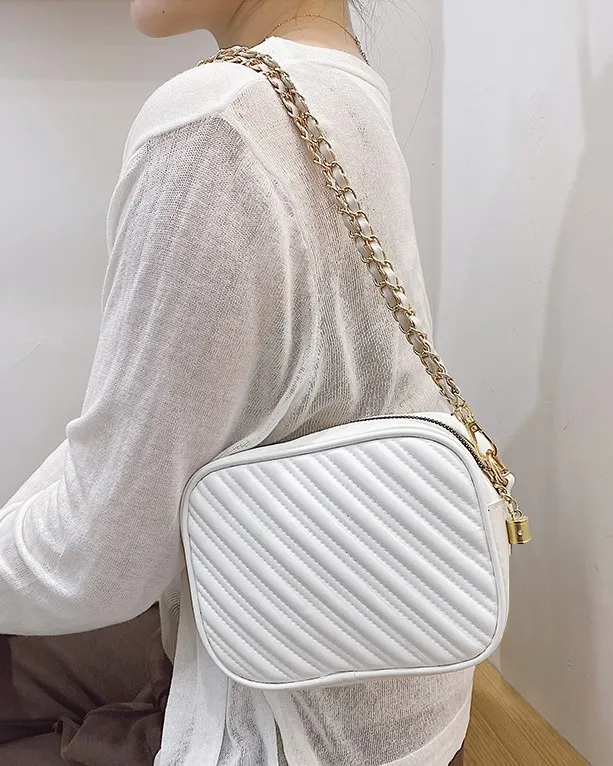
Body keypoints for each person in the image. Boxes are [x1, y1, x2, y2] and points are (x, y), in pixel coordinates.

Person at [0, 1, 469, 764]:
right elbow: (137, 466)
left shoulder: (219, 119)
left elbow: (97, 562)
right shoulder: (341, 83)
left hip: (284, 721)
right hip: (390, 694)